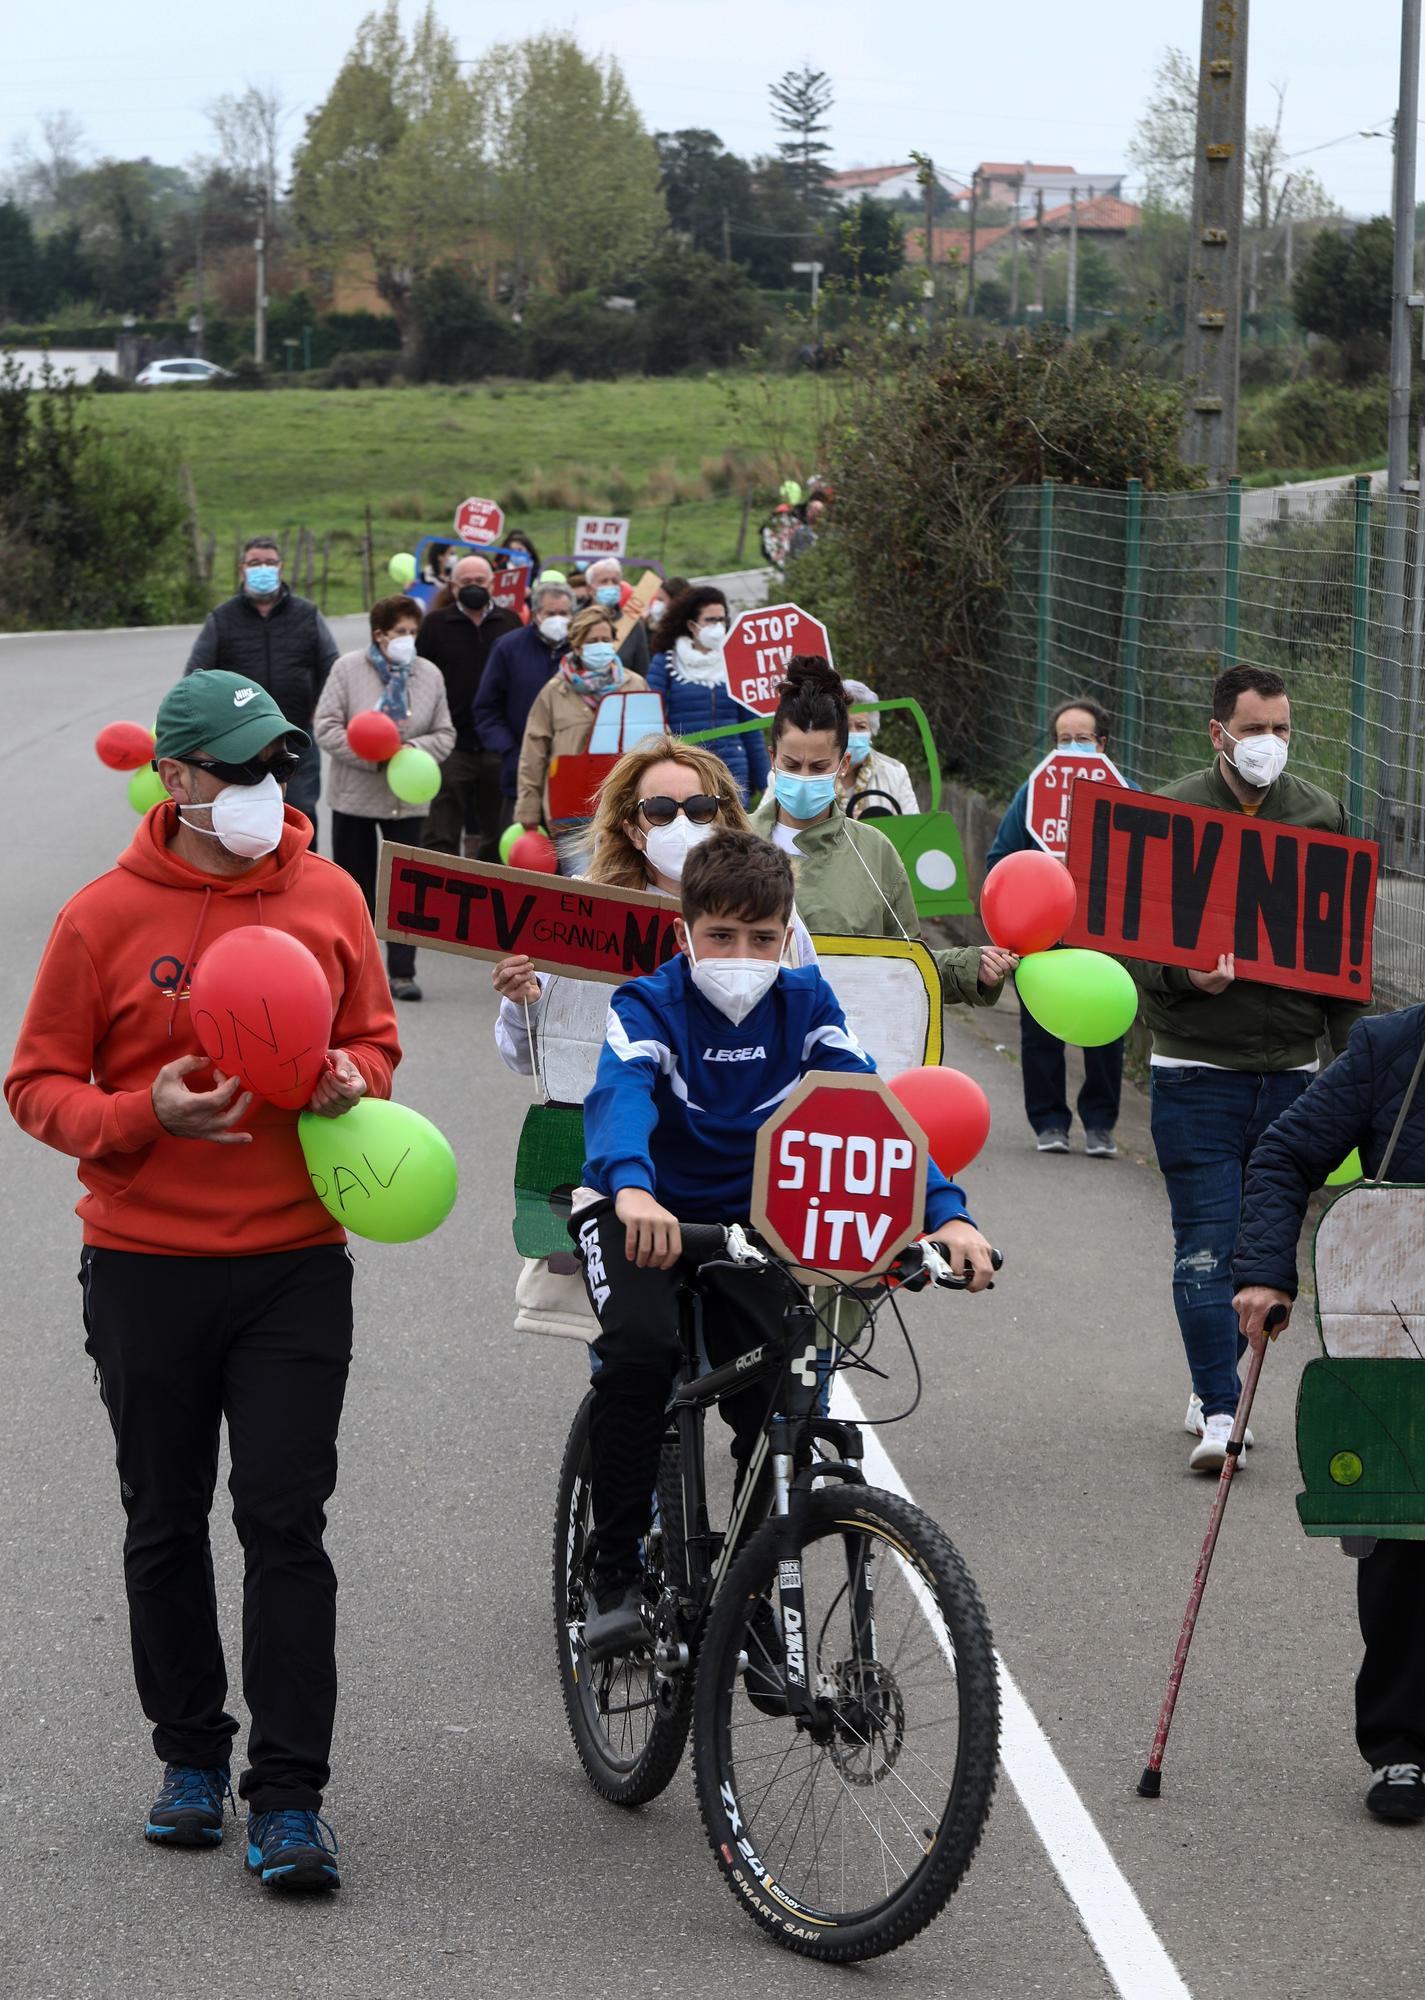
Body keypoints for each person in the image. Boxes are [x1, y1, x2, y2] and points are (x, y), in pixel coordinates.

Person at [4, 671, 401, 1892]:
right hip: (144, 1268)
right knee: (163, 1518)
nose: (257, 791)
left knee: (286, 1523)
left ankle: (289, 1797)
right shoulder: (100, 916)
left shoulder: (330, 893)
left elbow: (378, 1041)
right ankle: (189, 1758)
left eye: (272, 765)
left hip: (293, 1266)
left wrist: (351, 1079)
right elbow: (34, 1083)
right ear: (174, 780)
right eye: (230, 770)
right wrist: (139, 1114)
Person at [569, 828, 999, 1656]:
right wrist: (631, 1188)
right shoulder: (646, 1003)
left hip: (747, 1226)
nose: (742, 954)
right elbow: (618, 1096)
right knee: (638, 1354)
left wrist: (946, 1214)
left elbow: (871, 1111)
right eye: (720, 936)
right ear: (683, 932)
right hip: (636, 1209)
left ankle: (748, 1591)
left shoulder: (806, 1004)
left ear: (786, 935)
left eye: (762, 938)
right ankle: (614, 1573)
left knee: (787, 1397)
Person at [1129, 663, 1368, 1472]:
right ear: (1217, 732)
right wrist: (1183, 975)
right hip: (1194, 1070)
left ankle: (1213, 1389)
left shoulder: (1320, 816)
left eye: (1281, 729)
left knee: (1260, 1248)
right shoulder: (1168, 815)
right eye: (1254, 728)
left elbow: (1344, 958)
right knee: (1205, 1242)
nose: (1268, 743)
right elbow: (1132, 944)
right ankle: (1220, 1408)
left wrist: (1358, 1061)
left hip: (1295, 1075)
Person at [1233, 1003, 1425, 1822]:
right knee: (1405, 1543)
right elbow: (1285, 1151)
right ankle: (1404, 1745)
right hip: (1401, 1328)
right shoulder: (1392, 1049)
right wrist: (1267, 1269)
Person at [491, 735, 817, 1070]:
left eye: (700, 808)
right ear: (633, 831)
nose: (682, 823)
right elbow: (522, 1059)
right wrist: (524, 1003)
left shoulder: (771, 907)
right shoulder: (586, 910)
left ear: (722, 819)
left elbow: (815, 1020)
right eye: (660, 810)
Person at [749, 659, 1014, 1008]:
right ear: (772, 758)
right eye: (791, 764)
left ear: (843, 764)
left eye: (819, 767)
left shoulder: (874, 852)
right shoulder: (732, 843)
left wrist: (967, 968)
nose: (803, 777)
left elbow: (906, 965)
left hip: (845, 1048)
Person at [985, 697, 1129, 1159]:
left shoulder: (1126, 792)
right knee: (1039, 1031)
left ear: (1102, 744)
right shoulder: (1032, 793)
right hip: (1043, 938)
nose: (1072, 747)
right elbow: (998, 859)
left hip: (1101, 935)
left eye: (1082, 739)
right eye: (1063, 739)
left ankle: (1101, 1125)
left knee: (1104, 1031)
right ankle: (1049, 1122)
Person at [312, 592, 456, 1003]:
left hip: (408, 798)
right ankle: (355, 973)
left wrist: (412, 752)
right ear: (379, 635)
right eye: (400, 632)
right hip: (355, 795)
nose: (408, 639)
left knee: (407, 890)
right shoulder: (347, 669)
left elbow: (446, 733)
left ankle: (402, 973)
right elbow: (325, 726)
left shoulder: (429, 674)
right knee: (353, 889)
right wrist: (373, 756)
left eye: (413, 631)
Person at [184, 535, 338, 845]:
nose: (263, 568)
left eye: (269, 563)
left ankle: (303, 878)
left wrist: (320, 707)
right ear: (242, 570)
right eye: (255, 563)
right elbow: (196, 677)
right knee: (245, 819)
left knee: (300, 813)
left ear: (281, 568)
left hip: (295, 737)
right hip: (239, 745)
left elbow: (331, 666)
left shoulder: (306, 615)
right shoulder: (222, 619)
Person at [513, 605, 648, 874]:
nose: (601, 646)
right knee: (581, 885)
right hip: (572, 811)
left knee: (624, 883)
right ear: (576, 646)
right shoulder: (554, 692)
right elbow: (533, 755)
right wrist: (527, 811)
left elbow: (655, 739)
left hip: (625, 808)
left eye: (606, 640)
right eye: (593, 641)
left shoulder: (635, 685)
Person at [417, 550, 521, 860]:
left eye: (480, 580)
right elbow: (420, 678)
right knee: (440, 832)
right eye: (465, 581)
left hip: (497, 745)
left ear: (493, 584)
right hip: (451, 744)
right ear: (452, 586)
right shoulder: (435, 624)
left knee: (497, 834)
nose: (473, 586)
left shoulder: (510, 621)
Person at [647, 586, 770, 806]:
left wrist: (768, 786)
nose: (717, 626)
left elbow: (751, 728)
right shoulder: (666, 663)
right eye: (710, 620)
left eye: (721, 620)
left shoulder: (736, 661)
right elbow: (650, 718)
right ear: (692, 625)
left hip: (733, 770)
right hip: (685, 768)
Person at [473, 576, 575, 831]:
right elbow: (486, 709)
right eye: (551, 612)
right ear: (537, 613)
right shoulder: (509, 648)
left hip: (570, 776)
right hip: (519, 775)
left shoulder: (581, 651)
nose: (558, 619)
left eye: (564, 612)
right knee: (519, 854)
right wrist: (510, 751)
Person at [838, 678, 918, 816]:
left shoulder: (895, 772)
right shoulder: (817, 770)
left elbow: (912, 828)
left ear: (872, 729)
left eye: (861, 726)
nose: (853, 733)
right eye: (845, 726)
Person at [586, 557, 650, 677]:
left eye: (615, 581)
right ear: (590, 589)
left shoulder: (634, 626)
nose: (610, 586)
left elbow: (642, 671)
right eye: (604, 581)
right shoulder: (576, 622)